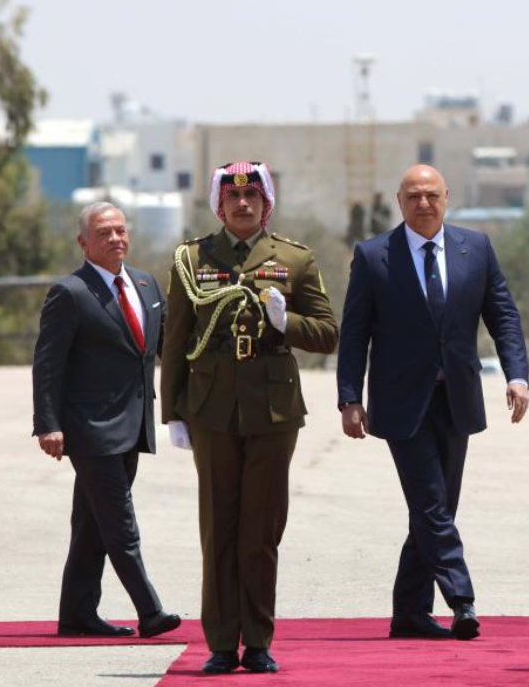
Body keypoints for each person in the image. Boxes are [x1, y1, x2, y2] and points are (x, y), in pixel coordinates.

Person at [336, 164, 529, 641]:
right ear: (399, 202)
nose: (424, 204)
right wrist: (349, 399)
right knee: (430, 504)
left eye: (432, 196)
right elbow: (355, 332)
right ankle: (462, 599)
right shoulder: (374, 255)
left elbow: (502, 313)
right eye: (413, 197)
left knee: (436, 507)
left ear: (447, 198)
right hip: (401, 402)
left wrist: (517, 375)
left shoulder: (476, 248)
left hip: (456, 398)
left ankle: (409, 613)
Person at [160, 161, 338, 674]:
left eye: (253, 196)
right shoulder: (193, 259)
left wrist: (287, 322)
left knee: (260, 530)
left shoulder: (295, 259)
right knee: (218, 527)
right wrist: (172, 411)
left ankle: (258, 640)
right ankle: (220, 642)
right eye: (234, 198)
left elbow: (328, 334)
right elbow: (174, 345)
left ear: (266, 204)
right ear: (219, 205)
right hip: (211, 409)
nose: (243, 204)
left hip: (272, 410)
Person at [31, 202, 181, 640]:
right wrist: (48, 423)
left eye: (120, 230)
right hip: (89, 429)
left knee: (93, 522)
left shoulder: (146, 284)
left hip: (134, 425)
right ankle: (150, 611)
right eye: (103, 233)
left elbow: (169, 348)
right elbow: (48, 364)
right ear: (83, 243)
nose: (115, 238)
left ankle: (77, 613)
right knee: (120, 522)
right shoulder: (70, 293)